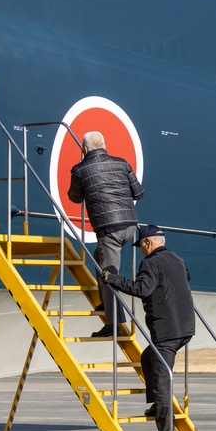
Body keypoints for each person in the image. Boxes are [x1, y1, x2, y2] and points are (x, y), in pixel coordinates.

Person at [102, 225, 194, 431]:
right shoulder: (177, 259)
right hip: (185, 329)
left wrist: (112, 279)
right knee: (146, 358)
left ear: (147, 243)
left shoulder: (150, 262)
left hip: (167, 333)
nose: (141, 250)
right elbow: (186, 278)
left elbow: (142, 289)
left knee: (162, 383)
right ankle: (156, 405)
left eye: (141, 246)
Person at [68, 131, 145, 336]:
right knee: (97, 258)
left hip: (109, 228)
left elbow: (74, 198)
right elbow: (139, 192)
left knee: (109, 274)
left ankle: (114, 325)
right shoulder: (122, 163)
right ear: (104, 145)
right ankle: (105, 303)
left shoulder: (81, 169)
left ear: (84, 149)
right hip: (130, 225)